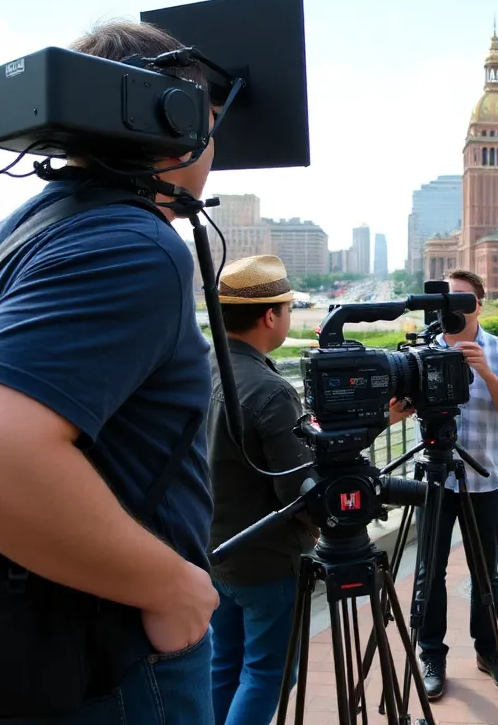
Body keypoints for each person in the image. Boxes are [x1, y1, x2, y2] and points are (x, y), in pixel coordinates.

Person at [0, 21, 220, 723]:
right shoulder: (132, 244)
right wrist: (171, 587)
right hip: (102, 657)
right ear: (176, 121)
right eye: (209, 123)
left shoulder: (2, 241)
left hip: (0, 640)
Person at [205, 255, 318, 725]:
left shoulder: (203, 369)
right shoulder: (270, 391)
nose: (289, 316)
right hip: (267, 563)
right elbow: (300, 493)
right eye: (288, 308)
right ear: (270, 316)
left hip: (213, 551)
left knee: (223, 665)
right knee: (269, 674)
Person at [417, 269, 498, 700]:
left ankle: (489, 651)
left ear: (478, 304)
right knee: (430, 573)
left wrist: (485, 371)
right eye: (444, 298)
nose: (451, 306)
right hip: (434, 479)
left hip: (484, 479)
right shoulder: (424, 350)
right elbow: (399, 408)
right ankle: (432, 654)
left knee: (486, 572)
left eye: (461, 299)